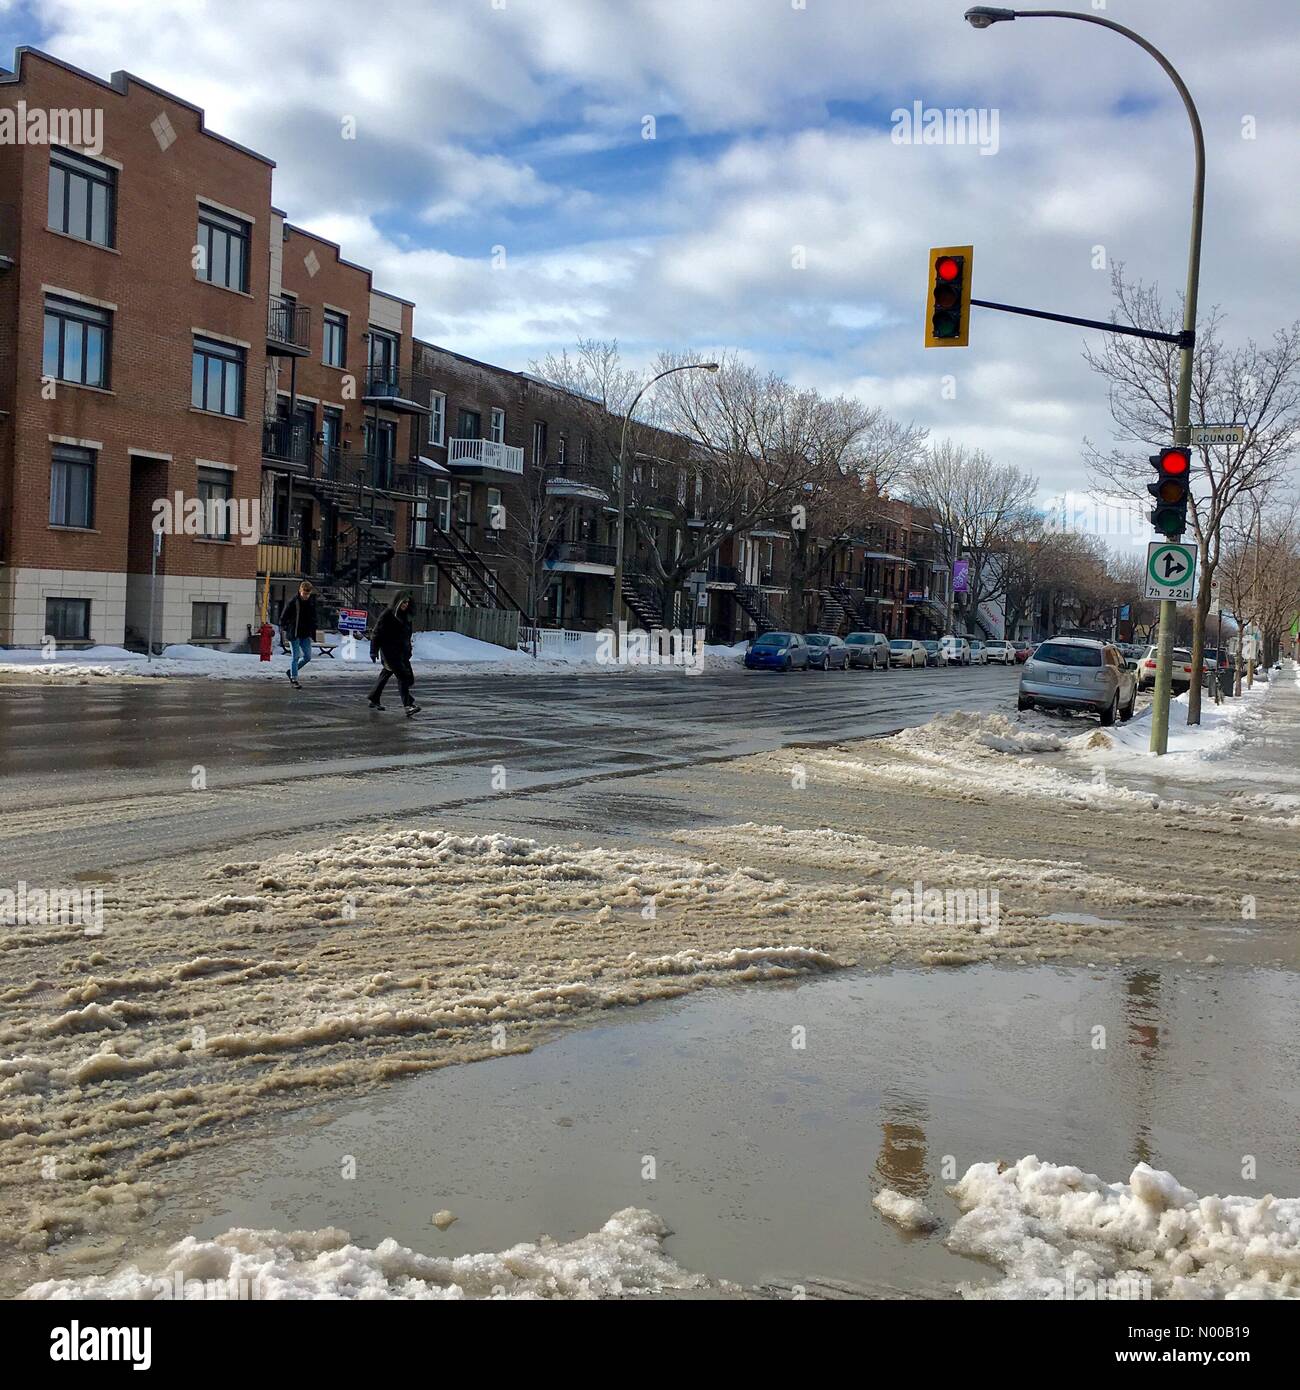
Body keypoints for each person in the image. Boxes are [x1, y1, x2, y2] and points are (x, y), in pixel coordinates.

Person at [368, 592, 420, 715]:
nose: (405, 605)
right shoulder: (387, 615)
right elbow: (376, 633)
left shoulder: (406, 617)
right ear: (398, 602)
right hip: (389, 652)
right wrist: (373, 651)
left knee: (388, 674)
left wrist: (408, 650)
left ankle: (374, 698)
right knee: (402, 676)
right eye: (403, 602)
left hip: (401, 652)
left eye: (407, 602)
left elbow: (407, 636)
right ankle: (408, 705)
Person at [279, 581, 318, 689]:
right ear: (300, 591)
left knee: (307, 657)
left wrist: (313, 630)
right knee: (295, 657)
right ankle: (294, 678)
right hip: (294, 633)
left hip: (305, 634)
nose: (306, 596)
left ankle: (291, 671)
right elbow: (284, 616)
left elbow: (314, 617)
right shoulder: (293, 602)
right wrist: (285, 628)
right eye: (304, 594)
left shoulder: (311, 603)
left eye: (308, 594)